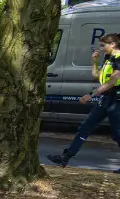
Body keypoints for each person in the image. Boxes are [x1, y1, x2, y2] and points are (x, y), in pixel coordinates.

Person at [48, 33, 120, 168]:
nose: (101, 48)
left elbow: (112, 81)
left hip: (116, 101)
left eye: (103, 45)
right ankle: (66, 157)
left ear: (113, 44)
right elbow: (96, 76)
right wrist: (94, 61)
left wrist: (91, 94)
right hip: (105, 99)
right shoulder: (109, 58)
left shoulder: (119, 59)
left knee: (117, 134)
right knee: (85, 127)